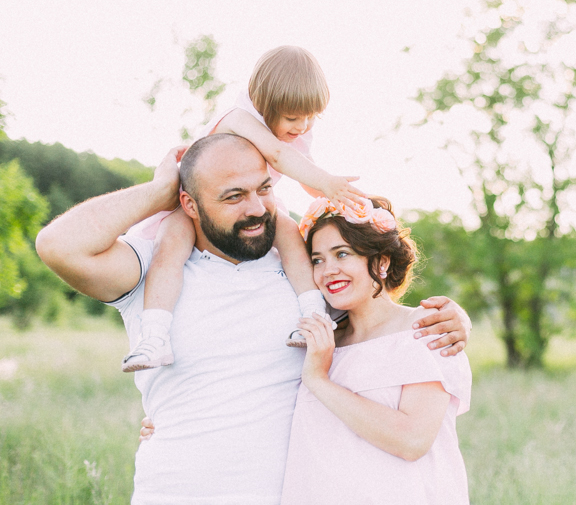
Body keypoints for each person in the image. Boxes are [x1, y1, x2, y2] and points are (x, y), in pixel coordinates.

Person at [35, 135, 471, 504]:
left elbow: (376, 303)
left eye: (263, 189)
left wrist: (455, 319)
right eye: (233, 196)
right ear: (188, 203)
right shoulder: (155, 273)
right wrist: (158, 190)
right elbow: (59, 246)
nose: (257, 208)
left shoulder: (306, 273)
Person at [122, 45, 366, 373]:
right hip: (197, 204)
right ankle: (154, 336)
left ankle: (312, 313)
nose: (303, 126)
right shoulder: (240, 119)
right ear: (264, 105)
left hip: (251, 203)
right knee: (169, 252)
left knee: (291, 235)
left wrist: (337, 196)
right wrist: (325, 181)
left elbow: (304, 169)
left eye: (311, 117)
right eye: (293, 118)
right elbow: (279, 156)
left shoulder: (297, 131)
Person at [280, 196, 470, 504]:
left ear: (381, 262)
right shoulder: (322, 340)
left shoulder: (425, 329)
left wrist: (318, 380)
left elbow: (412, 440)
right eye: (317, 260)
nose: (328, 271)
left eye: (342, 254)